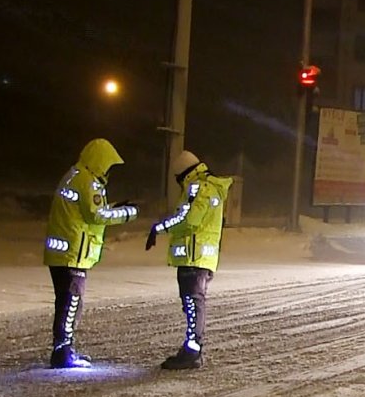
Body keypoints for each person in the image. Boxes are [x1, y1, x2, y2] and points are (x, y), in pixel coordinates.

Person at [42, 138, 139, 368]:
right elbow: (96, 215)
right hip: (74, 253)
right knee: (71, 302)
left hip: (62, 252)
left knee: (65, 301)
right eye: (108, 165)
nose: (108, 170)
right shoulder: (89, 181)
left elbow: (87, 210)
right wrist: (127, 213)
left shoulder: (74, 175)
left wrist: (110, 207)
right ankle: (63, 352)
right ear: (100, 161)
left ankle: (62, 348)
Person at [146, 150, 232, 370]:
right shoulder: (208, 186)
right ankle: (191, 348)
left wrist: (160, 227)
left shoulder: (198, 187)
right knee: (193, 303)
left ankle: (193, 351)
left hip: (194, 256)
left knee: (193, 303)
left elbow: (189, 219)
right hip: (200, 257)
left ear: (182, 174)